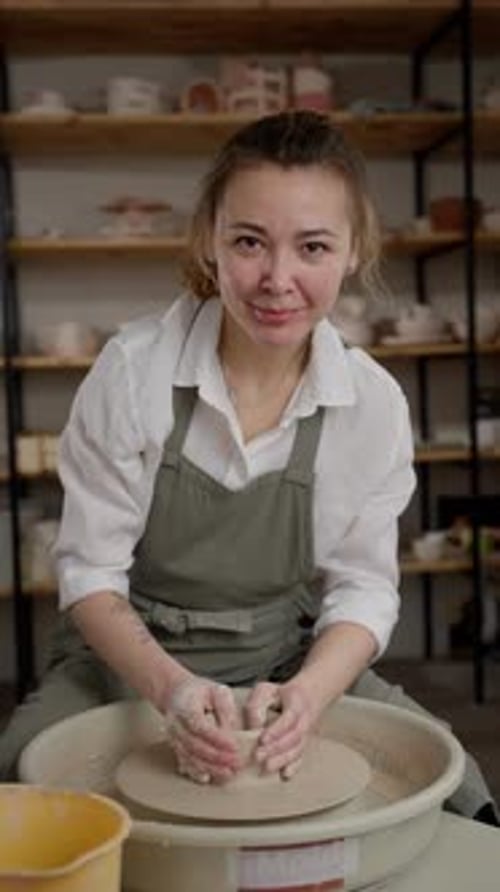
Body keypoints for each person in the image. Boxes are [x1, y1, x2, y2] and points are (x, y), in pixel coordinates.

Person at [0, 111, 497, 822]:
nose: (277, 279)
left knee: (460, 797)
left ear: (353, 251)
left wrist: (311, 696)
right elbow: (90, 576)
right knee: (20, 783)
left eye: (313, 247)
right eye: (249, 242)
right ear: (211, 243)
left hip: (286, 656)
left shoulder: (371, 403)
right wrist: (170, 691)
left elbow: (363, 590)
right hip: (127, 663)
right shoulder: (134, 373)